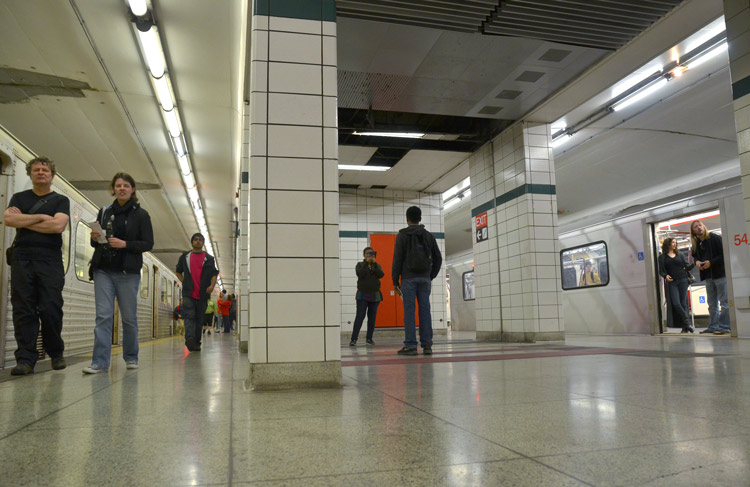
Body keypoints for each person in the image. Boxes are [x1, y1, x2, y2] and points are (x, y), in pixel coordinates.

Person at [4, 157, 70, 375]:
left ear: (52, 175)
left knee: (51, 308)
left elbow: (58, 226)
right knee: (23, 309)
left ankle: (56, 353)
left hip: (49, 260)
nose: (41, 172)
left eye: (45, 170)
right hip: (22, 259)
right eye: (36, 170)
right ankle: (25, 359)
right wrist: (42, 217)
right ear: (30, 174)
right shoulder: (18, 197)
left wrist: (27, 219)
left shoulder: (61, 200)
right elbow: (9, 220)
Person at [83, 172, 154, 374]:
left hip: (128, 272)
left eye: (126, 185)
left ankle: (131, 357)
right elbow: (94, 242)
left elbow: (148, 243)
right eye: (118, 185)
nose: (122, 188)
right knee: (103, 316)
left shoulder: (142, 215)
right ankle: (99, 362)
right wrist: (95, 238)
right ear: (113, 189)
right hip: (103, 270)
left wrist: (125, 244)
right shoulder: (104, 211)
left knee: (129, 318)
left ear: (132, 190)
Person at [392, 206, 442, 355]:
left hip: (408, 279)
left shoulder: (402, 236)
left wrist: (395, 281)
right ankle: (427, 345)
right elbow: (438, 258)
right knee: (425, 310)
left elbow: (397, 260)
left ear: (407, 219)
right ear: (420, 219)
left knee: (409, 311)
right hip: (424, 279)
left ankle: (411, 345)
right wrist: (430, 275)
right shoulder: (428, 236)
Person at [176, 233, 218, 351]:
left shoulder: (209, 259)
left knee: (199, 319)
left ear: (203, 242)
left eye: (200, 240)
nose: (198, 241)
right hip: (188, 293)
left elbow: (214, 274)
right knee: (189, 316)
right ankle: (189, 339)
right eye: (195, 239)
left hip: (203, 294)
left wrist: (212, 285)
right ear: (192, 242)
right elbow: (178, 271)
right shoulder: (185, 256)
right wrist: (184, 281)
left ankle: (196, 341)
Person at [691, 220, 731, 335]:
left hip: (719, 275)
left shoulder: (714, 237)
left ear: (704, 227)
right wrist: (697, 262)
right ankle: (713, 326)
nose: (699, 228)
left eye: (700, 225)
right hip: (708, 276)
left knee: (724, 302)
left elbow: (724, 253)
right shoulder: (696, 243)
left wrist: (711, 262)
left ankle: (725, 326)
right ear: (693, 231)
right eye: (696, 227)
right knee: (711, 303)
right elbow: (694, 257)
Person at [658, 237, 695, 333]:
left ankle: (685, 327)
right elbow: (661, 271)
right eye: (672, 242)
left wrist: (694, 263)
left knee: (683, 304)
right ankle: (687, 323)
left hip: (683, 280)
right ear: (667, 244)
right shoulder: (662, 257)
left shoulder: (680, 255)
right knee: (676, 303)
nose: (674, 244)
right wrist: (665, 276)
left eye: (675, 242)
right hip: (672, 282)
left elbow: (687, 267)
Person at [349, 247, 384, 346]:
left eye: (372, 253)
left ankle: (369, 338)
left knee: (372, 318)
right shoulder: (360, 265)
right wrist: (366, 263)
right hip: (362, 294)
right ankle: (353, 339)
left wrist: (374, 264)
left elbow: (381, 275)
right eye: (368, 253)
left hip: (375, 294)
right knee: (360, 316)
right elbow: (360, 274)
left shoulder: (377, 265)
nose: (370, 255)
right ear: (364, 255)